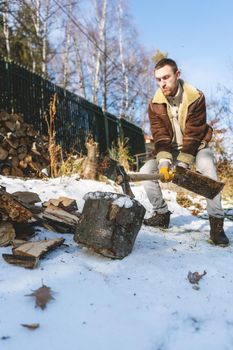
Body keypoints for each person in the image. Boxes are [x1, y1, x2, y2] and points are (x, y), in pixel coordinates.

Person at [141, 58, 229, 246]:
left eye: (166, 77)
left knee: (209, 170)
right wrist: (164, 163)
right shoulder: (154, 104)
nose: (162, 83)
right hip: (170, 150)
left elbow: (194, 134)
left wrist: (182, 165)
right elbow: (160, 136)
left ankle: (216, 225)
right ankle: (162, 214)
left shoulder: (195, 96)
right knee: (145, 171)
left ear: (177, 75)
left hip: (196, 147)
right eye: (158, 79)